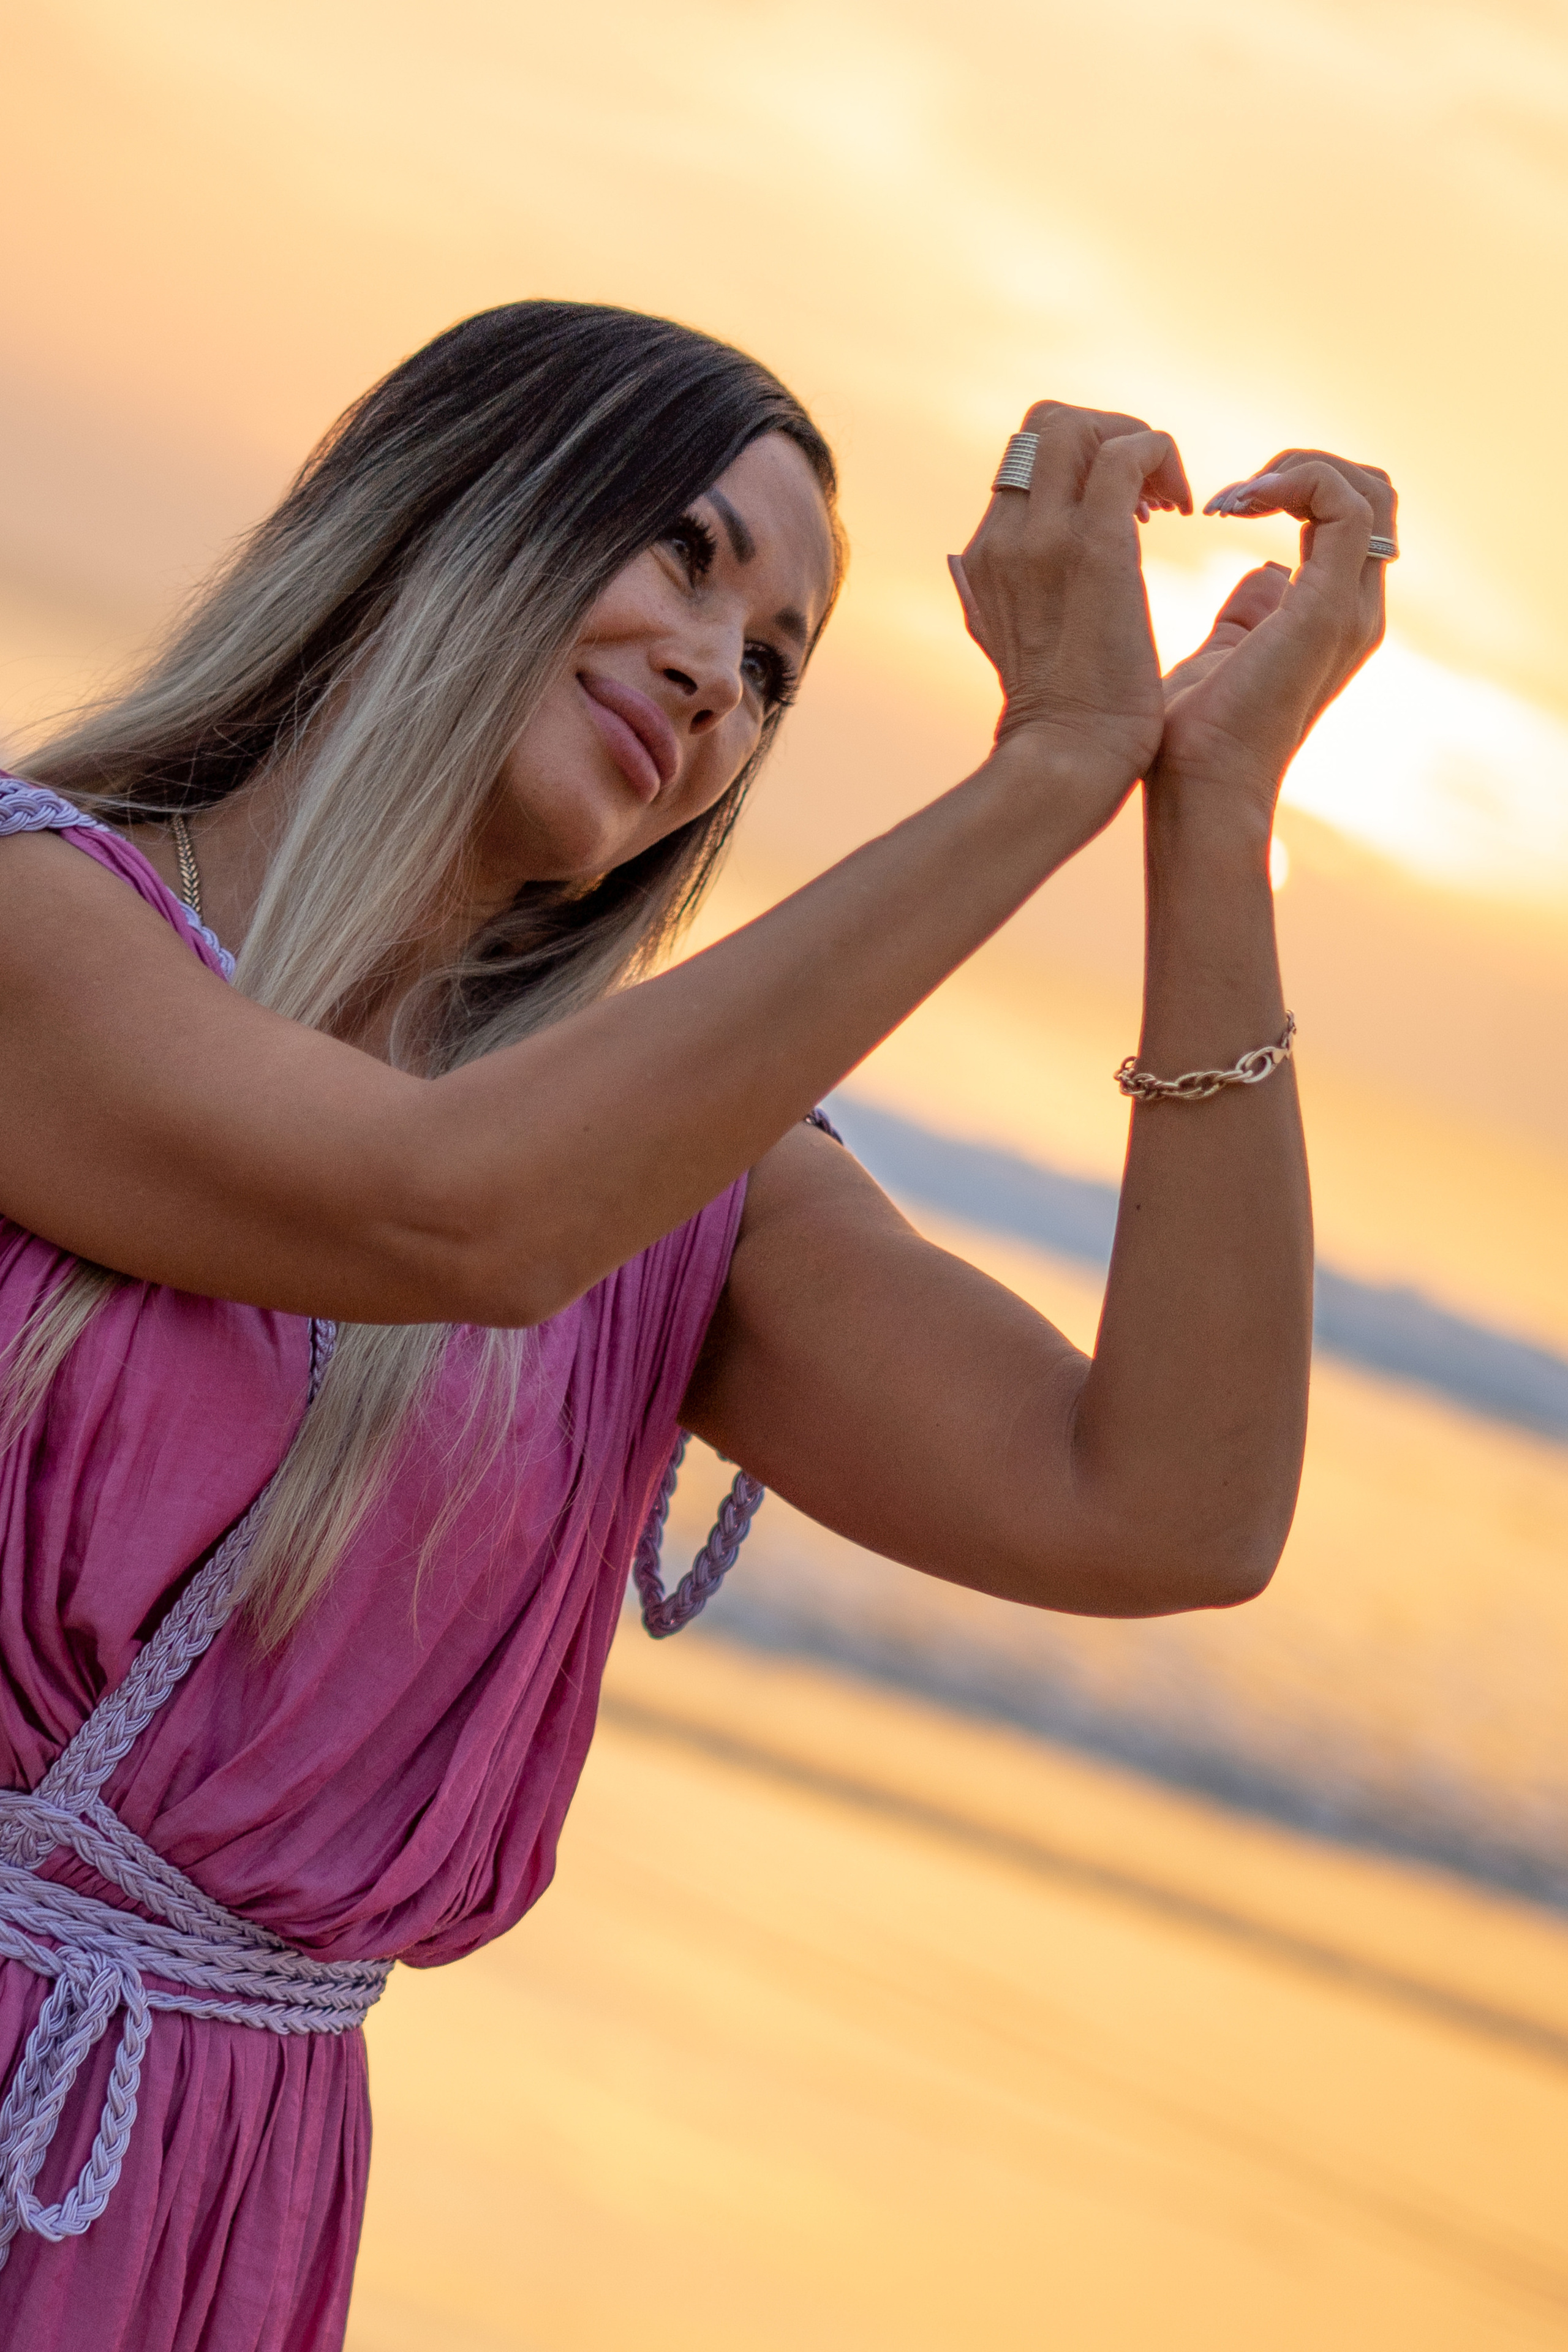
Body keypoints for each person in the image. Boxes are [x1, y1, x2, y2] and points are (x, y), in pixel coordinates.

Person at [0, 300, 1394, 2349]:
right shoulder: (44, 926)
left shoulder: (686, 1211)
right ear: (453, 505)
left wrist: (1209, 812)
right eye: (685, 553)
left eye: (773, 673)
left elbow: (1170, 1509)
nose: (715, 679)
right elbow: (439, 1213)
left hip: (207, 2207)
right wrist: (1048, 771)